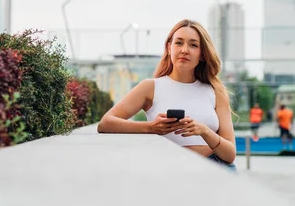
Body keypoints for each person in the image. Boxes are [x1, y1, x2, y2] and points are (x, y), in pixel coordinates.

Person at [97, 19, 236, 172]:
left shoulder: (216, 92)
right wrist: (151, 127)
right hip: (169, 170)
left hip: (215, 168)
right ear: (169, 48)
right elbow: (105, 123)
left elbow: (230, 155)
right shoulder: (150, 87)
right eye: (179, 43)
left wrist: (204, 131)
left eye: (193, 45)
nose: (184, 50)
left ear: (202, 54)